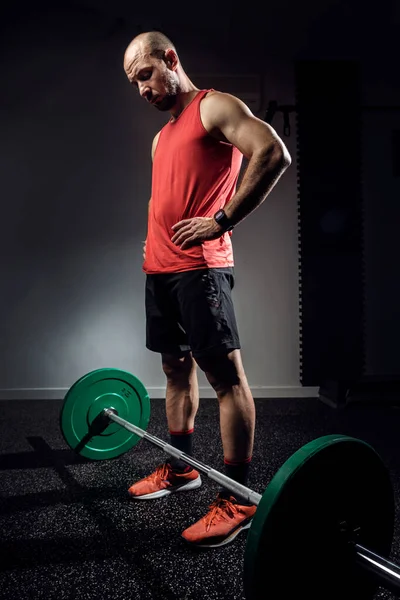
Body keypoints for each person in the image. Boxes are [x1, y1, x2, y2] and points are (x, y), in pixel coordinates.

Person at [123, 30, 291, 548]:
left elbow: (272, 152)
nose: (142, 89)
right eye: (134, 83)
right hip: (160, 271)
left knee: (225, 378)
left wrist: (221, 219)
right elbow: (168, 198)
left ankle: (238, 496)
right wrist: (151, 246)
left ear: (170, 59)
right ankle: (182, 470)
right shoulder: (160, 136)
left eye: (146, 74)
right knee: (175, 370)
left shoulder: (214, 107)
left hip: (199, 269)